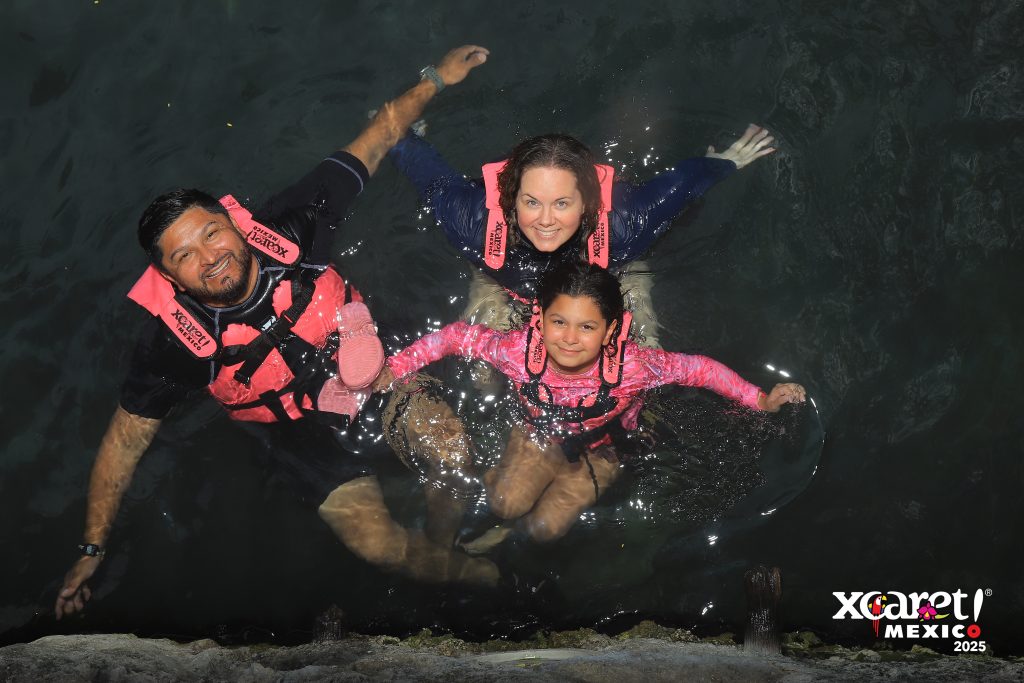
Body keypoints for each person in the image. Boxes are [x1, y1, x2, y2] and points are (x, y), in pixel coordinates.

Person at [55, 44, 495, 621]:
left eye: (211, 233)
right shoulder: (173, 345)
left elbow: (374, 140)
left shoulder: (295, 224)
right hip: (296, 431)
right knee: (381, 548)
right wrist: (91, 550)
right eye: (184, 256)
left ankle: (449, 549)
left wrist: (436, 77)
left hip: (369, 361)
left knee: (453, 453)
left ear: (233, 223)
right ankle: (494, 580)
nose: (209, 257)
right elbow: (124, 441)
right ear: (169, 277)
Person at [378, 261, 805, 547]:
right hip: (539, 432)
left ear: (610, 331)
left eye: (586, 327)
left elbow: (700, 370)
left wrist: (759, 399)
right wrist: (395, 368)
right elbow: (455, 337)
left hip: (607, 447)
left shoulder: (634, 366)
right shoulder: (516, 352)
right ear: (539, 320)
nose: (569, 338)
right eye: (558, 322)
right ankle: (487, 282)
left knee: (544, 529)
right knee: (504, 503)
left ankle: (636, 275)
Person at [387, 124, 776, 345]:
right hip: (499, 275)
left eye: (562, 203)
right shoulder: (471, 220)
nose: (545, 221)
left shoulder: (626, 224)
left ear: (587, 202)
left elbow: (681, 187)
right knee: (484, 367)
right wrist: (398, 134)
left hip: (613, 266)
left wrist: (722, 163)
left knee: (644, 344)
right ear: (510, 198)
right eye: (531, 202)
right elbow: (429, 175)